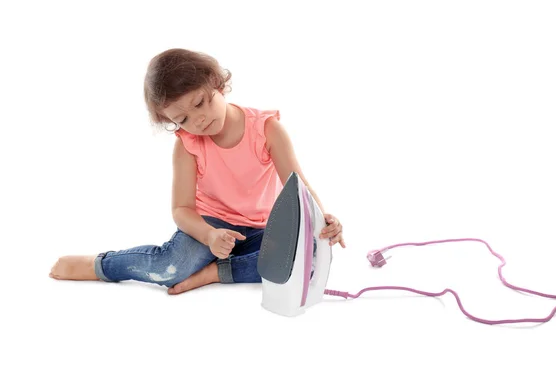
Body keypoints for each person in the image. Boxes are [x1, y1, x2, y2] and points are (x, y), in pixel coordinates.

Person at [49, 48, 345, 295]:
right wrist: (210, 234)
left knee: (313, 257)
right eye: (183, 119)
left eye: (201, 103)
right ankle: (100, 265)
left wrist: (322, 221)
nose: (199, 120)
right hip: (210, 225)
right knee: (170, 268)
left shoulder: (267, 130)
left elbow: (299, 189)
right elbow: (181, 209)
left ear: (218, 84)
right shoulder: (188, 146)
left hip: (260, 229)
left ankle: (215, 273)